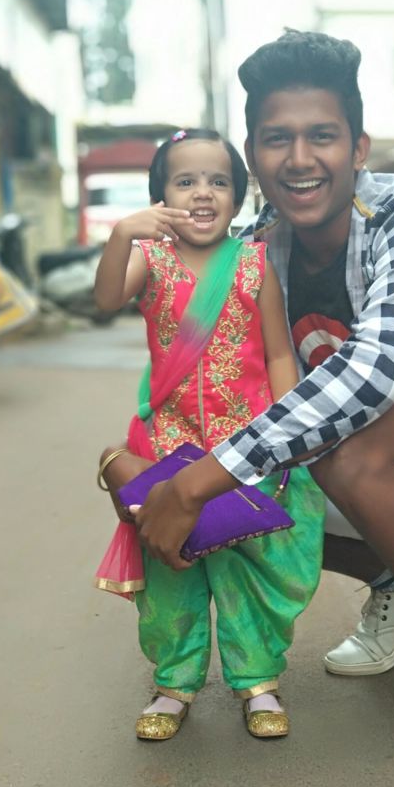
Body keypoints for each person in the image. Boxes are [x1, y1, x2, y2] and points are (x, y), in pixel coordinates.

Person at [100, 32, 394, 787]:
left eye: (322, 135)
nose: (300, 159)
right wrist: (151, 473)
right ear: (254, 158)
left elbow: (376, 375)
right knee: (250, 481)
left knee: (335, 447)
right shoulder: (259, 248)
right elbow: (210, 371)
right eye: (276, 139)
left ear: (358, 147)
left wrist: (199, 482)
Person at [93, 127, 324, 742]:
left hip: (242, 450)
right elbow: (106, 297)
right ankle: (174, 682)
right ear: (161, 195)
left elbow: (279, 354)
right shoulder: (150, 259)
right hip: (167, 449)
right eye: (185, 181)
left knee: (249, 566)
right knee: (171, 568)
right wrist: (122, 234)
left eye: (218, 182)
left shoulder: (253, 264)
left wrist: (284, 431)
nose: (202, 193)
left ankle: (258, 681)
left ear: (238, 197)